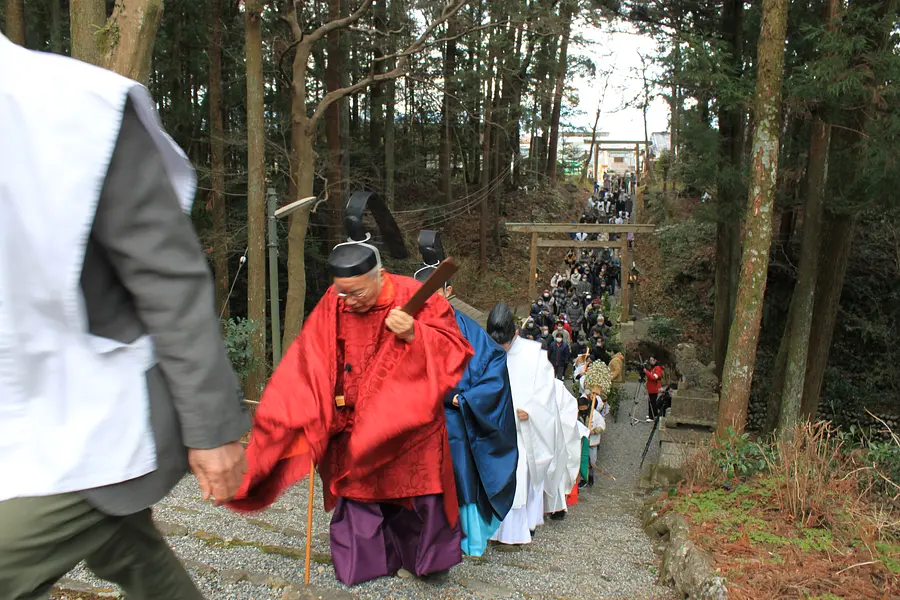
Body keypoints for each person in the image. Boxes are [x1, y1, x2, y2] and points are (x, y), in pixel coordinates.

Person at [0, 34, 250, 599]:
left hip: (101, 410)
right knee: (131, 552)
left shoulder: (77, 107)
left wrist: (212, 428)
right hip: (19, 411)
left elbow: (170, 276)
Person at [229, 238, 473, 585]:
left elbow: (455, 350)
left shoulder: (418, 297)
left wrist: (416, 334)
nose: (348, 301)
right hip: (353, 425)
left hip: (409, 429)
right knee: (358, 496)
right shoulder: (336, 303)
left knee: (419, 500)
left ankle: (429, 565)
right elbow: (311, 356)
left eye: (356, 292)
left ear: (380, 275)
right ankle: (364, 569)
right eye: (342, 293)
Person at [412, 267, 518, 557]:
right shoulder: (407, 328)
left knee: (459, 477)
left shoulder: (468, 329)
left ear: (448, 291)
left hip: (453, 421)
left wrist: (467, 399)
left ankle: (464, 541)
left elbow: (495, 363)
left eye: (434, 291)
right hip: (416, 420)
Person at [487, 303, 565, 545]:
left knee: (521, 479)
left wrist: (531, 411)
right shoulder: (486, 351)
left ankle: (517, 531)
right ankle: (492, 530)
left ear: (516, 334)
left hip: (524, 431)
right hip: (495, 429)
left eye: (505, 345)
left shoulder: (534, 356)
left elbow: (546, 395)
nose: (502, 350)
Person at [644, 356, 664, 422]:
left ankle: (652, 416)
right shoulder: (654, 368)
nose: (651, 361)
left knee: (652, 402)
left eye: (652, 360)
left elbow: (653, 377)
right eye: (650, 360)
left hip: (654, 387)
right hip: (651, 387)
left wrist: (646, 372)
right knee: (651, 402)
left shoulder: (657, 368)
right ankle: (653, 414)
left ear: (655, 360)